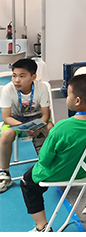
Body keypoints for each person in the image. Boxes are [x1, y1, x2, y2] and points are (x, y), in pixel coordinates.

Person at [19, 74, 86, 232]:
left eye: (68, 94)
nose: (66, 97)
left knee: (27, 183)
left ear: (77, 100)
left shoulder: (61, 128)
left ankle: (42, 227)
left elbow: (45, 160)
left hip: (65, 172)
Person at [0, 58, 53, 193]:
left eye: (22, 76)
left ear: (33, 77)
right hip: (15, 120)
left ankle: (52, 166)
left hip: (38, 119)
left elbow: (46, 114)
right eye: (14, 76)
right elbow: (6, 117)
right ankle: (4, 173)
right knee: (6, 134)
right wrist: (25, 126)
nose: (16, 80)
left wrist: (37, 126)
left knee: (51, 129)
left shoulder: (41, 88)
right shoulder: (7, 89)